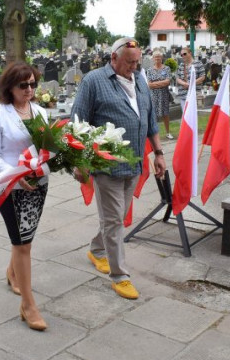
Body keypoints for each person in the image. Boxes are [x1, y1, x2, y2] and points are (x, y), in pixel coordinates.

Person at [71, 37, 166, 300]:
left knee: (119, 216)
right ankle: (120, 276)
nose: (133, 67)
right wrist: (79, 162)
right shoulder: (94, 81)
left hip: (134, 164)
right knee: (114, 221)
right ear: (113, 58)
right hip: (107, 166)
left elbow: (150, 121)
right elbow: (78, 121)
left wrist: (158, 153)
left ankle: (97, 249)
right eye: (128, 62)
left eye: (137, 62)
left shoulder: (140, 81)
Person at [0, 61, 49, 331]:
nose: (30, 89)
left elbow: (48, 146)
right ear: (9, 87)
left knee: (25, 236)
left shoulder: (41, 112)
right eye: (23, 85)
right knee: (23, 245)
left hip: (40, 184)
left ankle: (12, 273)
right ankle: (28, 306)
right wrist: (14, 173)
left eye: (33, 84)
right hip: (11, 188)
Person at [146, 50, 173, 139]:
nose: (157, 58)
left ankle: (168, 132)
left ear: (162, 58)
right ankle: (154, 134)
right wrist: (162, 83)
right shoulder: (150, 70)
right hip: (153, 95)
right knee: (154, 115)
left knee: (165, 114)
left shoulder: (167, 68)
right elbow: (149, 85)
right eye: (155, 57)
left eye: (159, 56)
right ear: (153, 58)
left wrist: (156, 84)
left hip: (164, 94)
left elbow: (168, 81)